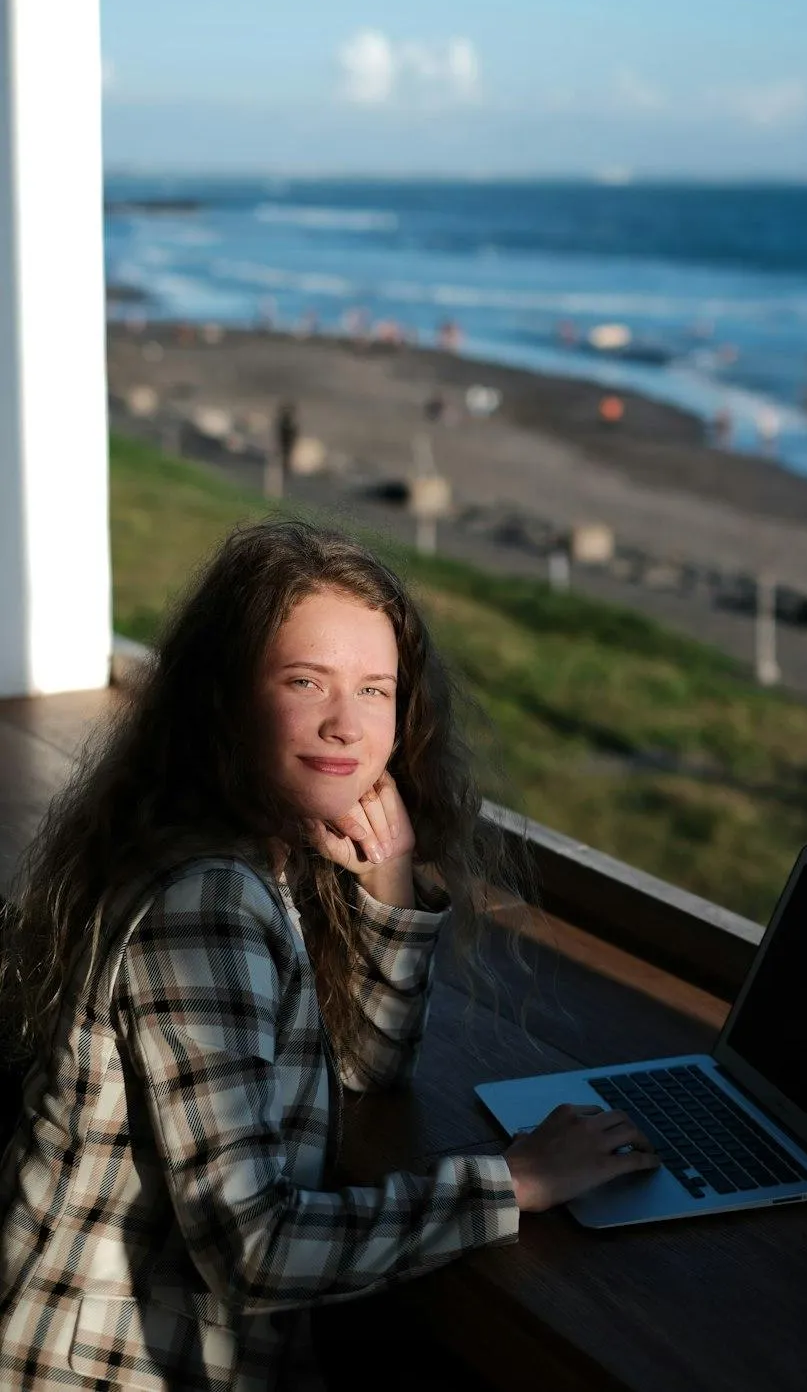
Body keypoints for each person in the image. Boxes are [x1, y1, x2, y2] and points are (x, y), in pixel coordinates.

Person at [0, 519, 656, 1390]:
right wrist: (514, 1181)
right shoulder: (208, 904)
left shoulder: (257, 852)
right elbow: (257, 1252)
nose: (347, 725)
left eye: (375, 690)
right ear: (224, 699)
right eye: (305, 681)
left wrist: (389, 882)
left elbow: (364, 1068)